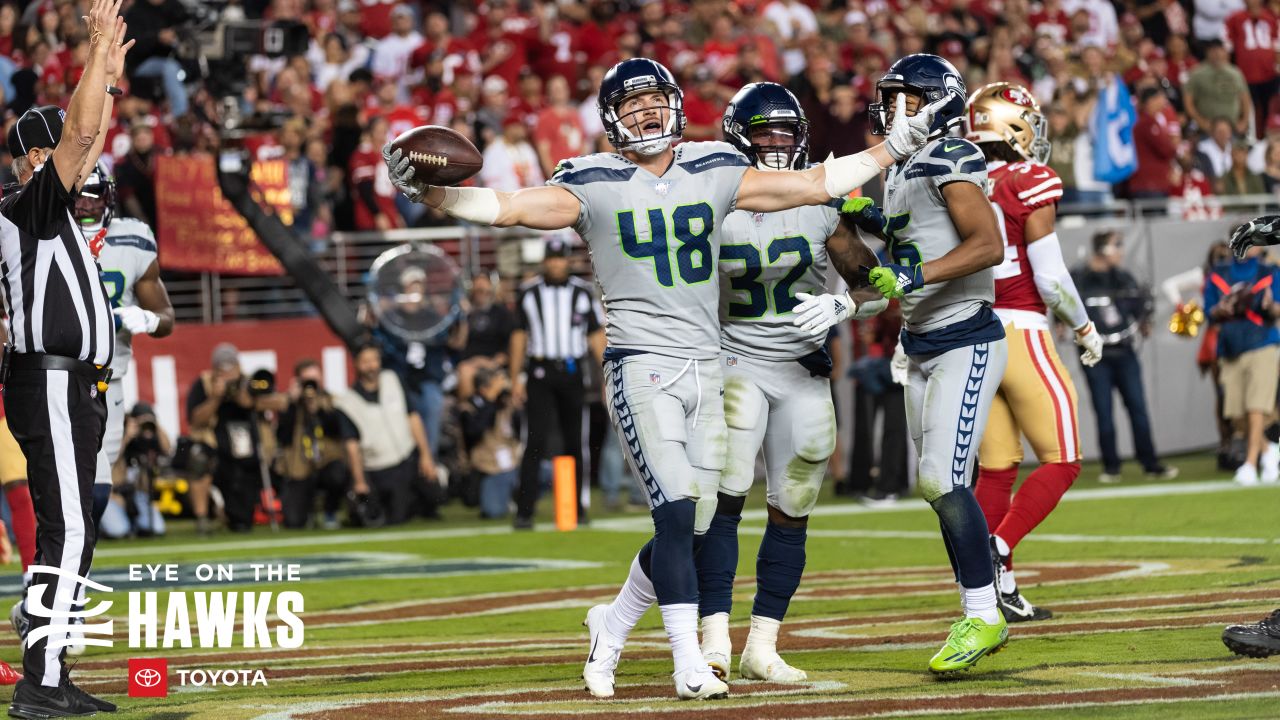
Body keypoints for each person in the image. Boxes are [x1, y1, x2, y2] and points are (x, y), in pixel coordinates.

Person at [385, 57, 940, 699]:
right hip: (642, 363)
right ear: (610, 120)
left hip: (710, 363)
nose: (645, 112)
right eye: (631, 104)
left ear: (675, 105)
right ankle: (688, 661)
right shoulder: (591, 178)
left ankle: (613, 622)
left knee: (697, 521)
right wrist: (435, 194)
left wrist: (889, 148)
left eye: (654, 100)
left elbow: (814, 184)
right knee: (677, 510)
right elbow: (512, 207)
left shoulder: (714, 167)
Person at [578, 83, 888, 691]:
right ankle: (712, 639)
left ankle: (763, 644)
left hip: (801, 368)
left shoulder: (822, 202)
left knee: (794, 505)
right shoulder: (713, 195)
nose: (776, 145)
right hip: (731, 361)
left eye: (786, 134)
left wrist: (845, 307)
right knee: (718, 503)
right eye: (765, 134)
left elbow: (874, 280)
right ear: (739, 135)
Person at [821, 54, 1012, 674]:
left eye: (906, 98)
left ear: (936, 101)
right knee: (939, 486)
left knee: (940, 477)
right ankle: (984, 598)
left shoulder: (953, 155)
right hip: (920, 340)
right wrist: (848, 224)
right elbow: (894, 252)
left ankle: (984, 612)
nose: (892, 107)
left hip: (967, 334)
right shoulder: (902, 165)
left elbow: (988, 245)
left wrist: (907, 273)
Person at [0, 0, 131, 712]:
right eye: (68, 152)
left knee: (72, 528)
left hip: (72, 383)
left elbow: (89, 127)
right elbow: (81, 132)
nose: (89, 155)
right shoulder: (30, 206)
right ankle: (40, 680)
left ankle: (49, 671)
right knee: (70, 527)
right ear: (37, 159)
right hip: (47, 377)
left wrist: (106, 68)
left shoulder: (51, 208)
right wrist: (94, 48)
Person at [962, 83, 1103, 623]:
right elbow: (1050, 275)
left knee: (996, 469)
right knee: (1063, 460)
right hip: (1021, 329)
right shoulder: (1029, 180)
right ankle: (997, 549)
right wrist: (1085, 326)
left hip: (975, 332)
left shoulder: (963, 179)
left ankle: (996, 587)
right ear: (1013, 125)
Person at [508, 237, 604, 529]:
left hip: (572, 372)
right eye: (551, 259)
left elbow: (596, 337)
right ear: (544, 261)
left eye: (560, 259)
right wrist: (515, 378)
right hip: (540, 371)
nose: (555, 263)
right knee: (534, 441)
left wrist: (608, 376)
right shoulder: (528, 293)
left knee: (576, 441)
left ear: (568, 261)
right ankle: (525, 510)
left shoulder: (583, 293)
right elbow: (519, 337)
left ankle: (578, 507)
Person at [1071, 232, 1178, 483]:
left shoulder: (1124, 277)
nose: (1121, 251)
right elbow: (1065, 306)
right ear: (1102, 249)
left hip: (1125, 350)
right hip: (1094, 353)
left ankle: (1150, 463)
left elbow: (1140, 308)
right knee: (1104, 411)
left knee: (1138, 408)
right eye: (1116, 246)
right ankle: (1111, 466)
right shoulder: (1079, 278)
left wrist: (1145, 321)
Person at [333, 343, 440, 525]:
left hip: (407, 458)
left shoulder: (394, 380)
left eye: (374, 360)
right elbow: (352, 447)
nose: (371, 366)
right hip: (378, 468)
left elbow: (413, 417)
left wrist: (426, 455)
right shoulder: (347, 402)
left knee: (436, 494)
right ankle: (369, 506)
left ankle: (418, 502)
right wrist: (360, 481)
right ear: (356, 364)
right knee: (391, 516)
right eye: (365, 362)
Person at [186, 344, 287, 532]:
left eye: (231, 368)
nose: (227, 374)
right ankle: (202, 519)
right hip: (217, 453)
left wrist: (251, 401)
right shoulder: (205, 384)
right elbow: (195, 421)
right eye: (222, 369)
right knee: (198, 458)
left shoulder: (249, 382)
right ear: (214, 369)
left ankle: (229, 513)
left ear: (238, 366)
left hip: (248, 456)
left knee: (242, 522)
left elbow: (281, 401)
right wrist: (215, 398)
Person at [1203, 243, 1280, 485]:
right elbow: (1209, 311)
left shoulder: (1269, 272)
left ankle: (1250, 463)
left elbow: (1278, 307)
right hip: (1231, 345)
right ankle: (1269, 451)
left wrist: (1271, 307)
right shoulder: (1219, 274)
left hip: (1262, 342)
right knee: (1236, 413)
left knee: (1255, 406)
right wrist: (1220, 310)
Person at [275, 359, 348, 529]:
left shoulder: (330, 400)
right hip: (300, 468)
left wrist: (318, 410)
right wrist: (292, 404)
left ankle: (330, 511)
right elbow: (282, 437)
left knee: (338, 473)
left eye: (314, 380)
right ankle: (306, 514)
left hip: (326, 463)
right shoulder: (290, 404)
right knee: (293, 522)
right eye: (306, 381)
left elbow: (338, 430)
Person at [458, 365, 521, 519]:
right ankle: (504, 499)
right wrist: (490, 400)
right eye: (496, 385)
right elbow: (476, 431)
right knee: (493, 511)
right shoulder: (469, 407)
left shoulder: (506, 404)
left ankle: (516, 499)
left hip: (513, 465)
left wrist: (517, 402)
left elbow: (522, 431)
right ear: (483, 388)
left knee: (547, 473)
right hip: (489, 469)